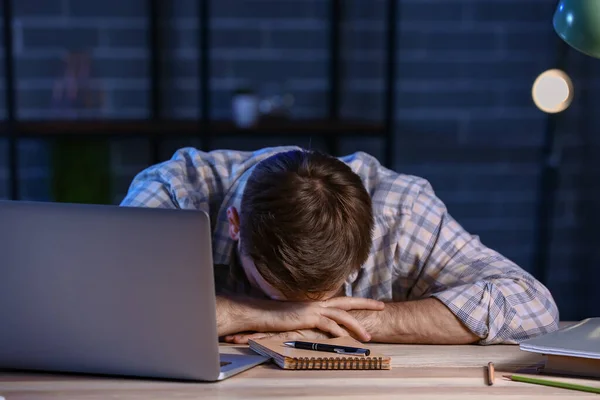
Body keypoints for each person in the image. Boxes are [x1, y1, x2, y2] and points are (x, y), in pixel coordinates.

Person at [120, 145, 559, 345]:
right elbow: (106, 307)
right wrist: (256, 313)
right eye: (278, 292)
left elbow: (532, 306)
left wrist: (333, 324)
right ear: (235, 224)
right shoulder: (175, 192)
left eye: (326, 295)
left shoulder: (400, 209)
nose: (308, 308)